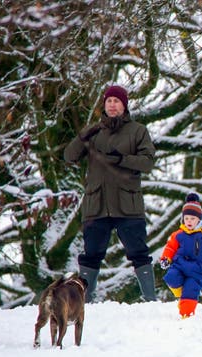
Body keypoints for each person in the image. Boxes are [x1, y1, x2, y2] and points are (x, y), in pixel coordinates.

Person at [64, 85, 157, 303]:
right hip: (97, 204)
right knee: (91, 254)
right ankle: (85, 302)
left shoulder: (137, 131)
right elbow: (69, 156)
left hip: (128, 204)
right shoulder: (94, 132)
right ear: (103, 105)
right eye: (109, 101)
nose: (112, 105)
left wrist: (122, 159)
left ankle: (151, 300)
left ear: (124, 105)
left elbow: (148, 162)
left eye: (117, 101)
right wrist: (82, 136)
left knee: (139, 252)